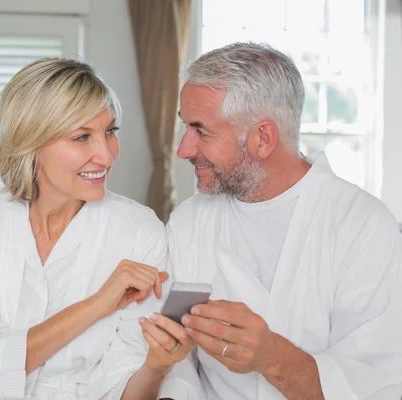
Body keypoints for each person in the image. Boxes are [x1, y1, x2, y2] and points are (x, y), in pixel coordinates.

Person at [0, 58, 198, 400]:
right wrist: (97, 304)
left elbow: (127, 391)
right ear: (30, 142)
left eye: (110, 132)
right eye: (81, 137)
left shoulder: (139, 230)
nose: (105, 156)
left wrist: (157, 365)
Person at [155, 42, 402, 399]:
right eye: (185, 126)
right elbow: (175, 350)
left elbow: (377, 382)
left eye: (200, 131)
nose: (183, 149)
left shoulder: (362, 226)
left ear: (263, 137)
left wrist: (273, 358)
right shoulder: (189, 224)